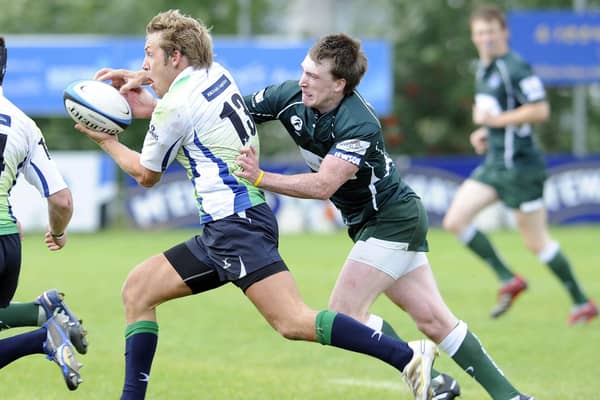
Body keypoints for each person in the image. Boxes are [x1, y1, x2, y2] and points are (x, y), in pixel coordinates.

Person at [76, 10, 440, 400]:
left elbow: (146, 176)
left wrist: (106, 139)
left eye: (149, 54)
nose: (143, 64)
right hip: (226, 228)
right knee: (138, 290)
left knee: (293, 321)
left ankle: (407, 357)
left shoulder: (173, 108)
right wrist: (146, 84)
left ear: (177, 56)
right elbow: (184, 103)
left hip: (237, 227)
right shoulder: (216, 72)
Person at [234, 33, 535, 400]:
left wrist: (262, 178)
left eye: (314, 76)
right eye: (304, 71)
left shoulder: (358, 122)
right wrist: (160, 109)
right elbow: (229, 110)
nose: (303, 81)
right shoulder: (289, 96)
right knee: (434, 320)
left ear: (339, 84)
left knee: (344, 313)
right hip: (374, 223)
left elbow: (323, 186)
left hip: (392, 219)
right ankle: (506, 395)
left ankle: (415, 360)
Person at [442, 5, 598, 324]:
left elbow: (540, 110)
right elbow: (503, 117)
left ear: (504, 33)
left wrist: (496, 120)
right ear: (473, 37)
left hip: (522, 168)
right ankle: (507, 278)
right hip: (496, 164)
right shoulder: (484, 70)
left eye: (491, 31)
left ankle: (582, 302)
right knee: (455, 219)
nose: (485, 38)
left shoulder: (515, 67)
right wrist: (487, 131)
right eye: (480, 33)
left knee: (536, 242)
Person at [0, 36, 87, 390]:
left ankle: (42, 336)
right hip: (7, 246)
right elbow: (62, 200)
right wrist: (58, 231)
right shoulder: (22, 123)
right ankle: (43, 313)